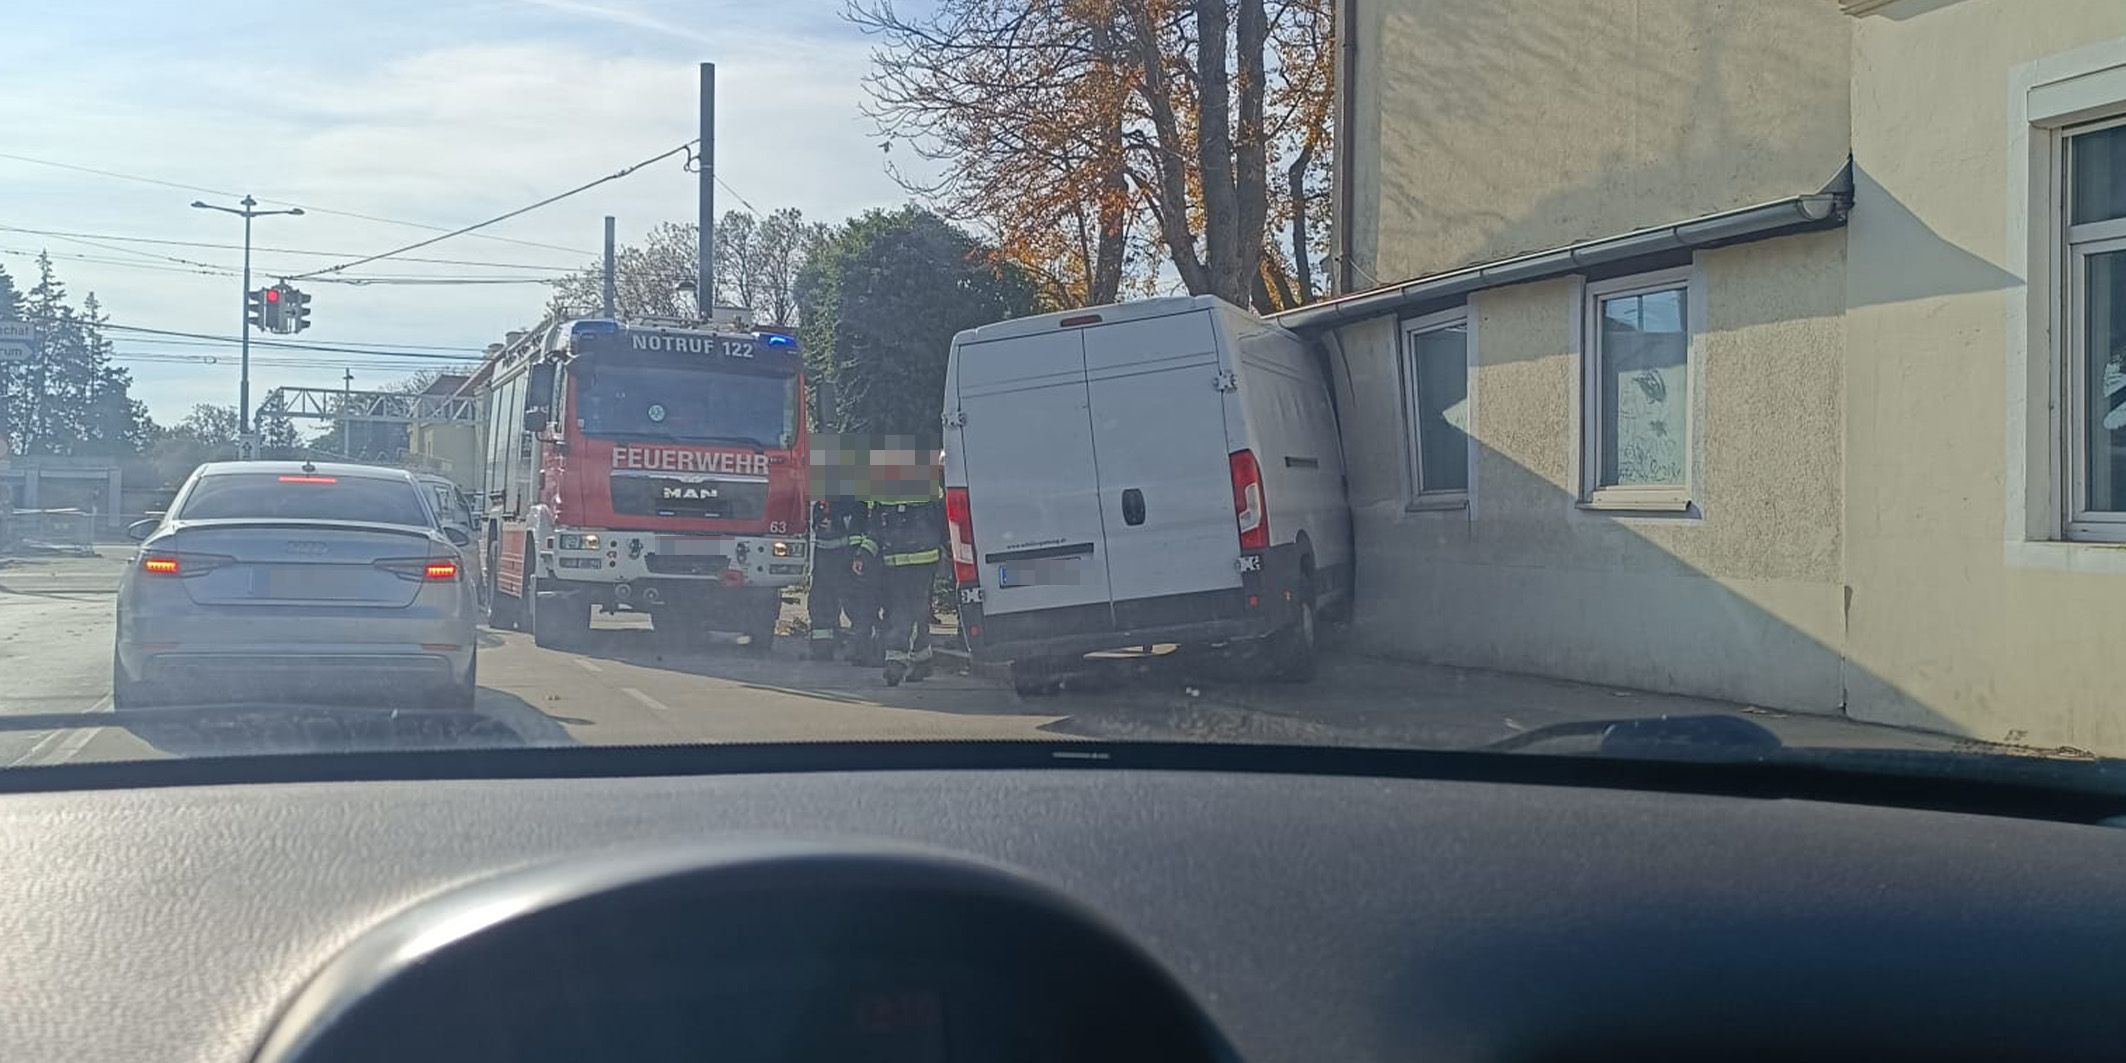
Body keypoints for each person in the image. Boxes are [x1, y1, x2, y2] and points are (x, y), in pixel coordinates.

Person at [805, 495, 867, 661]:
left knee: (854, 604)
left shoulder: (851, 502)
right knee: (823, 602)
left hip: (845, 559)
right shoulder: (823, 502)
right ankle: (823, 648)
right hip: (826, 560)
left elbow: (857, 526)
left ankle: (861, 648)